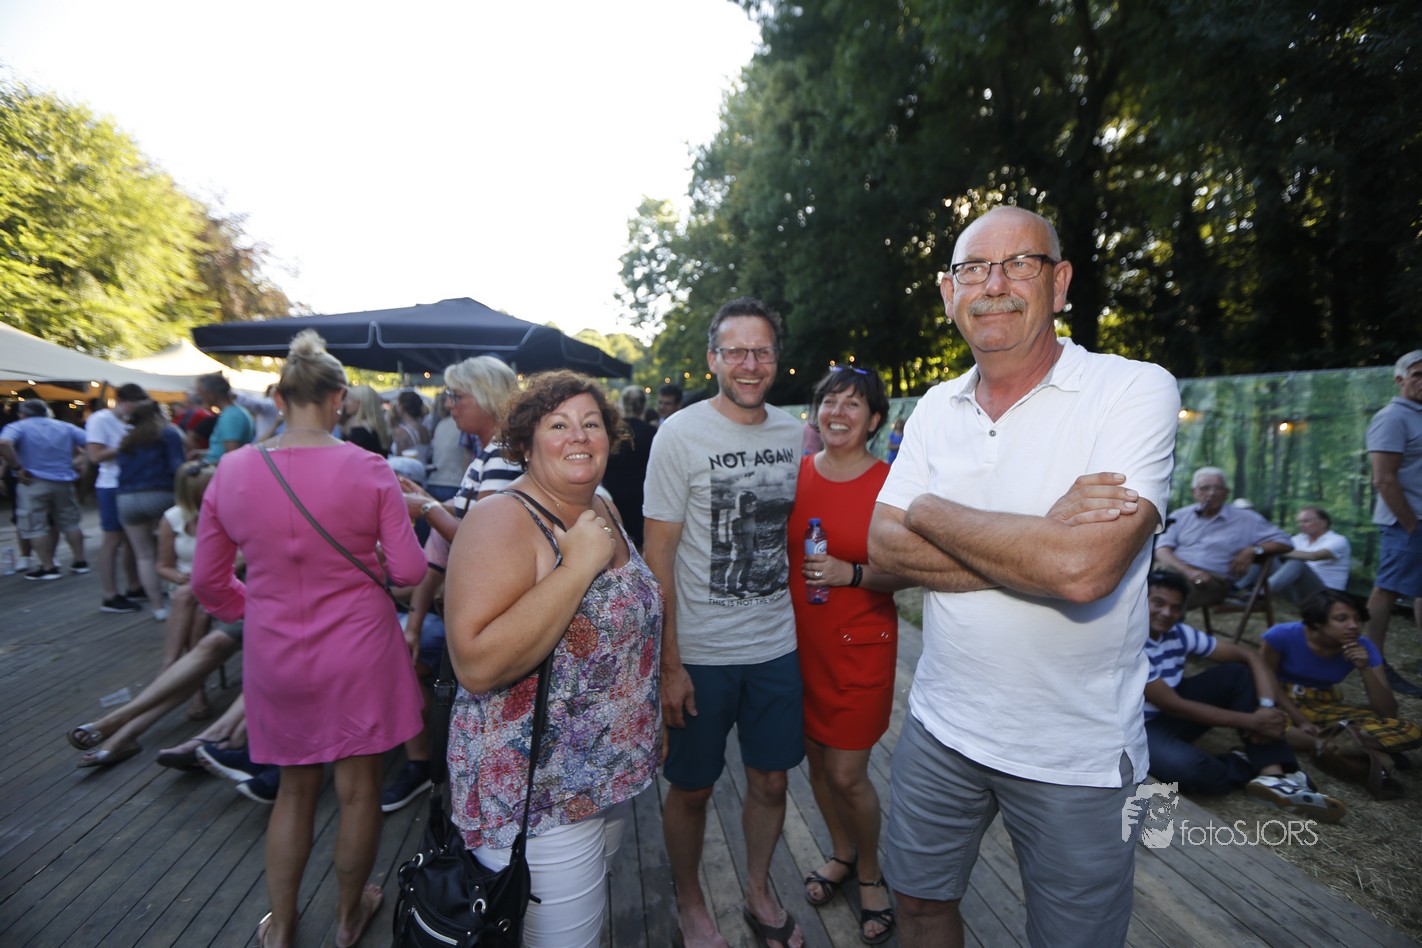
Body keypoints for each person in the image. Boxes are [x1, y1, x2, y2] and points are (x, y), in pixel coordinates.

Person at [867, 206, 1179, 948]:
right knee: (917, 904)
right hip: (940, 726)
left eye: (1020, 264)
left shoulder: (1133, 389)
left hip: (1077, 753)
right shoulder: (936, 405)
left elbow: (1082, 570)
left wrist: (929, 509)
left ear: (1060, 282)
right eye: (974, 268)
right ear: (950, 292)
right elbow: (882, 550)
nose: (994, 284)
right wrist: (1040, 534)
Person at [191, 330, 427, 948]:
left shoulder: (232, 470)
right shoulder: (370, 468)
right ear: (339, 398)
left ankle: (282, 925)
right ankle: (349, 917)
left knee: (293, 791)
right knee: (359, 791)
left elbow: (208, 583)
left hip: (276, 653)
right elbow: (409, 572)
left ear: (279, 397)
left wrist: (259, 611)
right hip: (360, 649)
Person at [443, 370, 662, 947]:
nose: (579, 436)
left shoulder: (603, 507)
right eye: (558, 425)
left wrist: (648, 718)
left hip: (605, 779)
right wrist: (577, 566)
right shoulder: (502, 518)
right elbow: (476, 664)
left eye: (591, 424)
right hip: (537, 801)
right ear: (525, 442)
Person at [643, 297, 805, 948]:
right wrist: (670, 665)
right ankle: (690, 904)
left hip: (775, 645)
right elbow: (657, 557)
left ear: (776, 360)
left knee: (772, 779)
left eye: (761, 351)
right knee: (692, 788)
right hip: (701, 654)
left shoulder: (793, 434)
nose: (749, 364)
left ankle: (758, 893)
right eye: (735, 351)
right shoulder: (679, 435)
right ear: (713, 359)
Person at [789, 366, 911, 945]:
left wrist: (852, 573)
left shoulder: (892, 484)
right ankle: (841, 853)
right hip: (797, 645)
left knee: (846, 772)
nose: (838, 412)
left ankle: (870, 873)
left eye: (853, 403)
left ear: (875, 419)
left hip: (860, 647)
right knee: (816, 763)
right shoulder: (795, 475)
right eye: (829, 400)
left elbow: (911, 570)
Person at [378, 355, 522, 812]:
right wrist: (427, 501)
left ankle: (432, 771)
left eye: (456, 396)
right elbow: (452, 539)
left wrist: (423, 508)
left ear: (485, 398)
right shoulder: (491, 454)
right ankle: (431, 768)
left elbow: (481, 541)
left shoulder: (503, 455)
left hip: (490, 616)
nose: (449, 404)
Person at [1141, 570, 1345, 822]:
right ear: (1140, 601)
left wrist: (1266, 708)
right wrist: (1252, 722)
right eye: (1158, 603)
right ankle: (1245, 764)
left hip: (1170, 713)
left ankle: (1273, 774)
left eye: (1175, 607)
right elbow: (1173, 705)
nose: (1166, 613)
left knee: (1237, 675)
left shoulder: (1180, 633)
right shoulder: (1129, 642)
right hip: (1140, 726)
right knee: (1189, 770)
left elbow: (1249, 656)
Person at [1262, 590, 1422, 759]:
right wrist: (1301, 721)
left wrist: (1365, 669)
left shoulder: (1364, 647)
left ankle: (1340, 743)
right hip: (1277, 699)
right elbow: (1266, 679)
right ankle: (1341, 745)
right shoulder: (1281, 635)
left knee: (1408, 730)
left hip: (1319, 704)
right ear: (1317, 621)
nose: (1353, 626)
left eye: (1357, 619)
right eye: (1341, 619)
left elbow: (1388, 711)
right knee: (1265, 723)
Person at [1363, 349, 1422, 696]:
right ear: (1400, 380)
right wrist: (1411, 524)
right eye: (1418, 374)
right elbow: (1383, 479)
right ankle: (1373, 662)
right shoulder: (1392, 418)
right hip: (1407, 522)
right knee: (1387, 589)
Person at [1154, 466, 1293, 608]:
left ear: (1226, 493)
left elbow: (1285, 541)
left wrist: (1253, 550)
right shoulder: (1179, 516)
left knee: (1167, 594)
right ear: (1194, 492)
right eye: (1204, 488)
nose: (1212, 493)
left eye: (1218, 488)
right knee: (1150, 587)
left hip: (1211, 581)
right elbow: (1162, 550)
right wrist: (1188, 572)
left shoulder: (1247, 519)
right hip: (1173, 570)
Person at [0, 399, 88, 581]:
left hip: (32, 481)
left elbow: (4, 443)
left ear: (22, 414)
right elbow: (90, 443)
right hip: (63, 481)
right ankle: (80, 561)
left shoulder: (18, 427)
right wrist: (72, 464)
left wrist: (17, 467)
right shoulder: (65, 426)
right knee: (70, 522)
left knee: (36, 526)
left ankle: (49, 567)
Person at [115, 401, 186, 619]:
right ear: (157, 415)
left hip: (126, 498)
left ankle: (158, 608)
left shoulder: (126, 439)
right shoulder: (168, 434)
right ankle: (180, 600)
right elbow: (177, 467)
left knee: (144, 556)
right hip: (160, 494)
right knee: (176, 550)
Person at [85, 383, 146, 612]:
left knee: (131, 539)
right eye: (133, 405)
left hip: (132, 484)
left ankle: (134, 586)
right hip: (111, 485)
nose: (136, 410)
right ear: (120, 401)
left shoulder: (131, 421)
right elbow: (95, 456)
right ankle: (110, 595)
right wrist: (127, 445)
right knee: (113, 539)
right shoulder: (100, 419)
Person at [600, 384, 655, 548]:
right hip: (641, 496)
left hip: (612, 494)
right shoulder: (651, 432)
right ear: (643, 406)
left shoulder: (612, 432)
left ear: (622, 404)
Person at [1268, 506, 1351, 605]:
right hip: (1300, 592)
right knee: (1268, 557)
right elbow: (1277, 546)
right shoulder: (1300, 538)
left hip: (1326, 596)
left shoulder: (1338, 540)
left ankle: (1259, 594)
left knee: (1297, 563)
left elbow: (1314, 556)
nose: (1301, 525)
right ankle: (1252, 590)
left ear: (1324, 523)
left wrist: (1278, 550)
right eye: (1299, 522)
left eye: (1306, 521)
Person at [196, 373, 255, 464]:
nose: (200, 398)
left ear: (211, 394)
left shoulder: (231, 416)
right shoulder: (233, 412)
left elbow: (232, 455)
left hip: (219, 468)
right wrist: (203, 453)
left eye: (201, 394)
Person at [340, 385, 390, 455]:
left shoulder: (360, 430)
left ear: (360, 402)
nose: (345, 403)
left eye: (349, 399)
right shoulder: (377, 426)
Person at [388, 390, 432, 466]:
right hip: (422, 470)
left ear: (402, 407)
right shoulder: (424, 430)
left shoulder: (401, 432)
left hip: (406, 471)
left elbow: (398, 460)